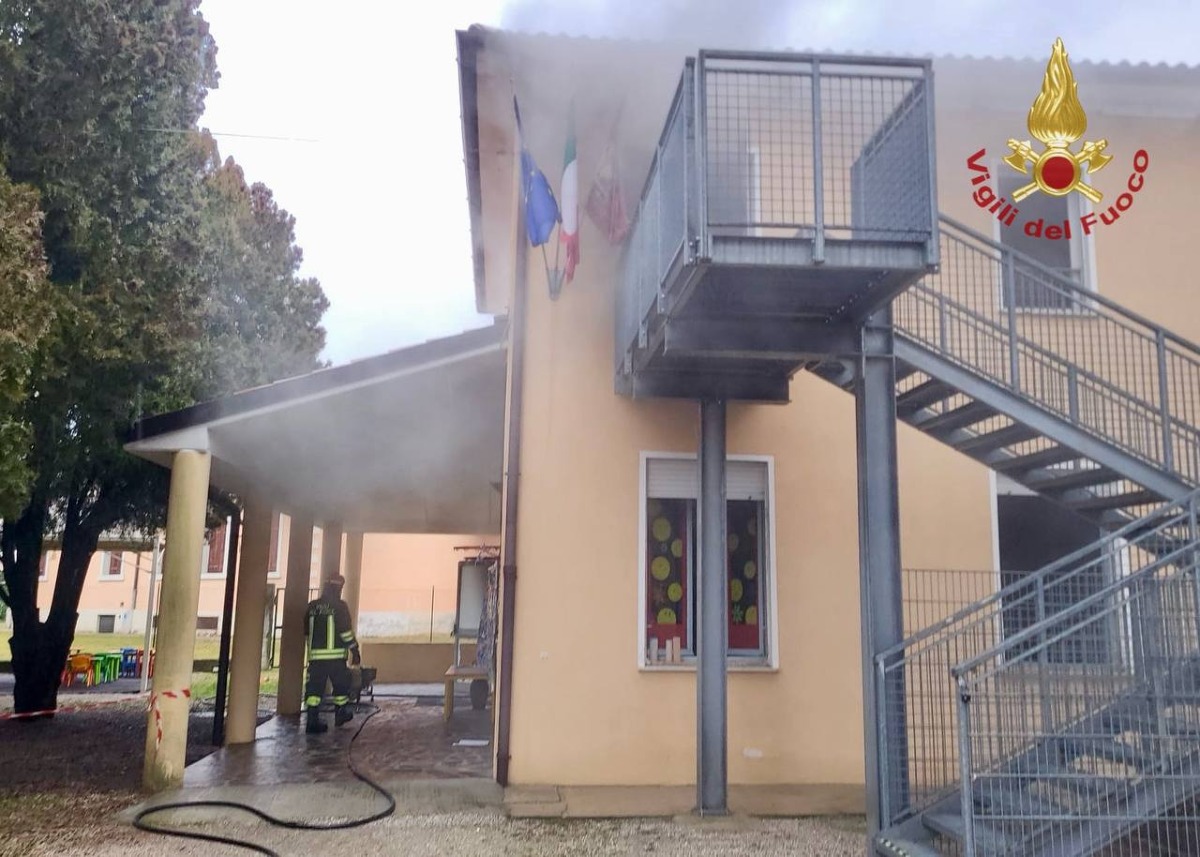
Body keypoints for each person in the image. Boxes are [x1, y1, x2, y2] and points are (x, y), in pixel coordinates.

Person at [303, 574, 361, 734]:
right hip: (335, 658)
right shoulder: (339, 606)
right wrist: (355, 650)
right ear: (338, 588)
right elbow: (345, 632)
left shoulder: (312, 606)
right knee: (341, 684)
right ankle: (340, 714)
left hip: (316, 658)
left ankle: (312, 721)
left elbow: (307, 631)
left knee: (314, 688)